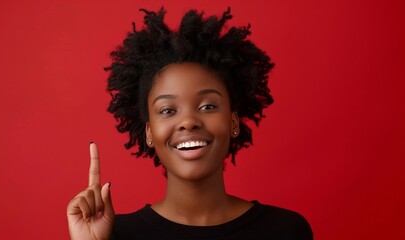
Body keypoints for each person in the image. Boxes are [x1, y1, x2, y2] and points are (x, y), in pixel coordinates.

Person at [67, 7, 313, 240]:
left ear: (233, 121)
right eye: (167, 110)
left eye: (207, 106)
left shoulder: (285, 231)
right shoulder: (114, 233)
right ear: (149, 133)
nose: (188, 122)